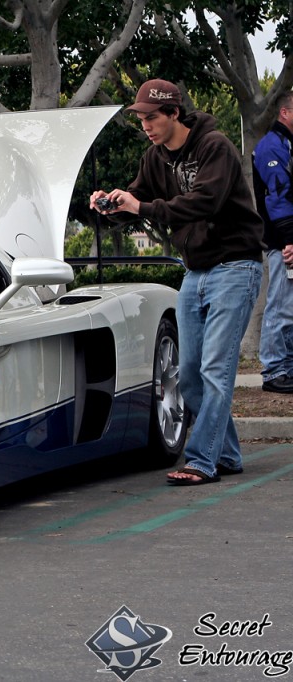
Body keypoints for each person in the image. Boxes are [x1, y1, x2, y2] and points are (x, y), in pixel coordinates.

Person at [89, 78, 265, 486]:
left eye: (152, 117)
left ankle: (202, 461)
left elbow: (204, 202)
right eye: (141, 119)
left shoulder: (214, 146)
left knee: (216, 369)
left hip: (235, 267)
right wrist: (111, 205)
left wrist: (143, 205)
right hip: (196, 271)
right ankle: (228, 455)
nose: (146, 126)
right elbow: (136, 200)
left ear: (173, 113)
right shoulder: (154, 158)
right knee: (188, 375)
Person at [252, 91, 293, 394]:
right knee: (280, 306)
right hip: (283, 243)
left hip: (288, 240)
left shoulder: (286, 145)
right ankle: (274, 371)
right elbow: (277, 197)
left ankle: (286, 368)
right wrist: (290, 239)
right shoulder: (271, 146)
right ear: (284, 112)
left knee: (288, 306)